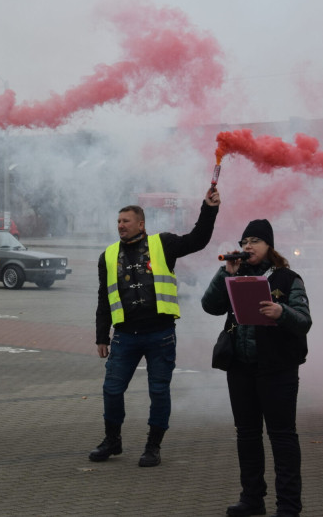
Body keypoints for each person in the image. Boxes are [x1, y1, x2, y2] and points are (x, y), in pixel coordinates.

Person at [90, 187, 221, 467]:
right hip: (125, 335)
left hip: (160, 334)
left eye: (126, 221)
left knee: (159, 391)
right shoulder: (108, 255)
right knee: (112, 389)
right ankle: (112, 441)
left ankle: (153, 446)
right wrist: (102, 335)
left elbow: (198, 239)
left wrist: (209, 209)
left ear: (141, 224)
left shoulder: (164, 243)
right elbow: (104, 297)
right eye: (118, 222)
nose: (120, 226)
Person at [201, 219, 311, 517]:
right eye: (244, 241)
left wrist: (281, 311)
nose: (247, 247)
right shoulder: (235, 274)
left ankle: (288, 506)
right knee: (247, 434)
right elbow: (209, 306)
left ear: (269, 246)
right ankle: (252, 498)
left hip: (277, 369)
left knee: (282, 436)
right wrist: (224, 274)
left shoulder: (288, 279)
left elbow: (304, 321)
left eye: (255, 241)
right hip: (241, 367)